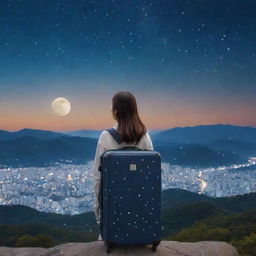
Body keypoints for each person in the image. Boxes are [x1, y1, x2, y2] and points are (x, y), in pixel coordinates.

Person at [92, 91, 154, 239]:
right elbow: (151, 175)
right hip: (139, 207)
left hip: (114, 207)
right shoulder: (144, 137)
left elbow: (98, 177)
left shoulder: (106, 137)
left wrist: (100, 209)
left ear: (115, 110)